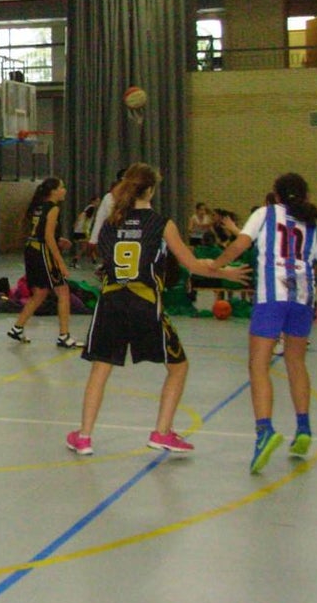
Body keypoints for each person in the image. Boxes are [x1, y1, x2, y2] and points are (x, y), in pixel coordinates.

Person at [66, 164, 250, 457]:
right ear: (150, 190)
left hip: (111, 301)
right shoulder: (161, 223)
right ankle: (161, 432)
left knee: (100, 369)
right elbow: (191, 264)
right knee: (178, 367)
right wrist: (224, 273)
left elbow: (104, 261)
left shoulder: (110, 224)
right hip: (143, 302)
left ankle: (84, 436)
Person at [212, 174, 317, 473]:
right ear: (304, 196)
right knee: (296, 362)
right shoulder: (313, 225)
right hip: (302, 297)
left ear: (276, 195)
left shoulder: (265, 215)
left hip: (272, 296)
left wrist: (214, 266)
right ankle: (303, 428)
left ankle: (264, 430)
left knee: (258, 364)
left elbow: (239, 246)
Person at [7, 177, 81, 347]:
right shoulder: (53, 208)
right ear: (53, 191)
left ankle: (17, 328)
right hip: (42, 252)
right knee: (63, 292)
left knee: (40, 293)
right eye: (62, 187)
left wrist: (58, 239)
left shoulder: (38, 206)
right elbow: (47, 236)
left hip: (32, 250)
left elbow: (40, 232)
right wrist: (61, 262)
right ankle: (64, 336)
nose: (65, 190)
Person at [71, 197, 99, 269]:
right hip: (83, 231)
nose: (98, 203)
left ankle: (94, 262)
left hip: (81, 230)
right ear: (93, 201)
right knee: (85, 247)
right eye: (97, 201)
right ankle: (74, 261)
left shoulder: (88, 208)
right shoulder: (91, 208)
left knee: (89, 245)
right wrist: (77, 223)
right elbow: (82, 215)